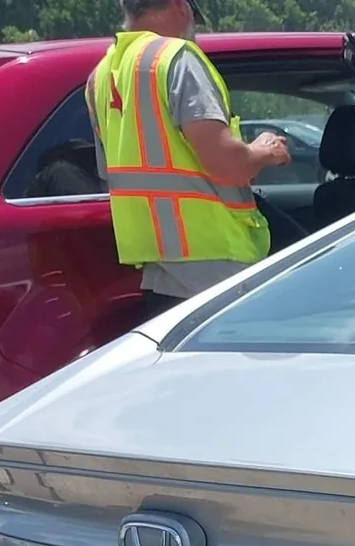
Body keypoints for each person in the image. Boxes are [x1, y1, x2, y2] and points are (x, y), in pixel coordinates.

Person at [86, 0, 292, 319]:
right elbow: (228, 165)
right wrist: (266, 149)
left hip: (158, 272)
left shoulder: (100, 76)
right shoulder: (176, 58)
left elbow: (112, 174)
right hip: (218, 263)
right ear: (180, 7)